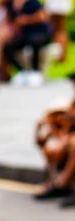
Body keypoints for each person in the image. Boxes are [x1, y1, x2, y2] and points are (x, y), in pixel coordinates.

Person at [34, 72, 75, 207]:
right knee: (51, 148)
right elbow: (40, 141)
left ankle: (61, 184)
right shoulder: (71, 105)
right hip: (67, 140)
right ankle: (56, 183)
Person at [2, 0, 52, 86]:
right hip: (24, 35)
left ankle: (36, 72)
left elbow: (43, 16)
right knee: (8, 48)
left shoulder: (31, 0)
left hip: (40, 33)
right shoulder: (12, 3)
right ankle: (23, 72)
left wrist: (26, 20)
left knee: (34, 42)